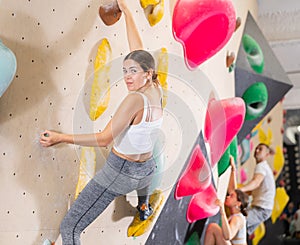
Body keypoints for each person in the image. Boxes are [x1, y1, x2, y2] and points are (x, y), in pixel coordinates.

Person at [40, 0, 164, 244]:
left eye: (133, 72)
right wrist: (127, 10)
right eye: (126, 70)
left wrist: (60, 137)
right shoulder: (155, 88)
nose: (127, 77)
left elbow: (104, 139)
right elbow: (138, 48)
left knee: (70, 227)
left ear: (146, 73)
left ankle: (143, 204)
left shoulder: (134, 101)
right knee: (145, 181)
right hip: (147, 167)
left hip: (120, 173)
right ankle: (143, 207)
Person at [204, 156, 249, 245]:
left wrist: (222, 212)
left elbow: (228, 236)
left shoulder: (237, 219)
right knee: (213, 228)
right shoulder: (237, 212)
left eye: (231, 196)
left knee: (213, 228)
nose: (228, 197)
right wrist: (233, 169)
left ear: (238, 203)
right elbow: (233, 189)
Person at [238, 143, 276, 236]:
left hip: (261, 208)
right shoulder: (264, 167)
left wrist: (240, 190)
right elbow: (253, 190)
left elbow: (256, 182)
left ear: (267, 154)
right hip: (263, 209)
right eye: (256, 148)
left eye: (260, 149)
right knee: (242, 233)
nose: (257, 150)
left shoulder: (261, 166)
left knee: (238, 222)